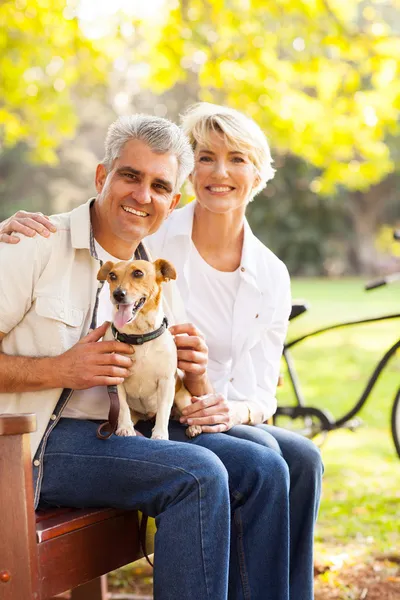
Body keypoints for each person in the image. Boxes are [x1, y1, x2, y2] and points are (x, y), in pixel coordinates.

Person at [0, 106, 323, 600]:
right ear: (102, 176)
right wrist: (56, 369)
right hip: (35, 442)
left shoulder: (150, 273)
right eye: (130, 176)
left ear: (172, 201)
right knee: (199, 474)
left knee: (266, 464)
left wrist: (197, 382)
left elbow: (189, 374)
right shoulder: (36, 244)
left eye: (158, 187)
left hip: (119, 430)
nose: (141, 196)